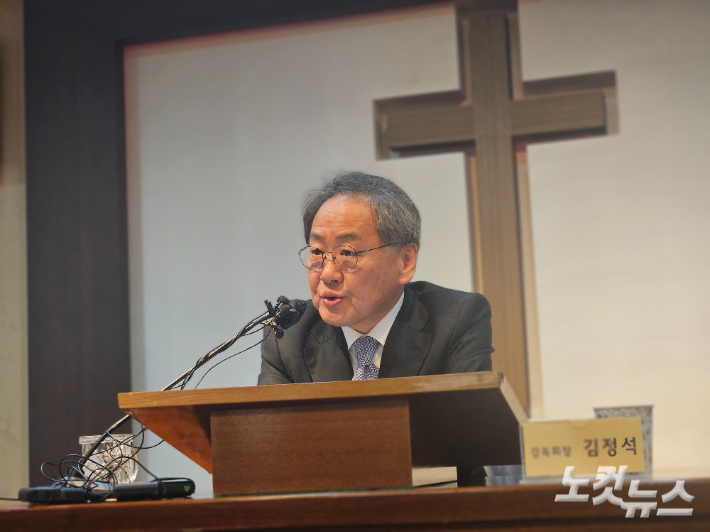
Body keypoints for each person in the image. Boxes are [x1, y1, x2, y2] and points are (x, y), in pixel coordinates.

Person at [258, 171, 493, 385]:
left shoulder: (455, 320)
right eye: (317, 252)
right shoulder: (288, 336)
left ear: (405, 261)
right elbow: (273, 420)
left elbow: (467, 416)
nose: (328, 274)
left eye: (347, 253)